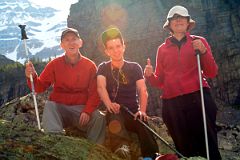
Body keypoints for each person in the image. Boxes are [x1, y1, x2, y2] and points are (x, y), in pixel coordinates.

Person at [144, 5, 221, 160]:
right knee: (183, 148)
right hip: (172, 104)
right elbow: (160, 82)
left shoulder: (200, 42)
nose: (178, 20)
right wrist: (150, 76)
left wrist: (204, 52)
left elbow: (212, 72)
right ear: (169, 24)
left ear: (188, 23)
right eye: (174, 18)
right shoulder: (162, 49)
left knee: (208, 144)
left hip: (198, 97)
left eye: (182, 18)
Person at [25, 27, 106, 144]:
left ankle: (95, 149)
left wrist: (87, 111)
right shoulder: (54, 64)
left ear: (80, 42)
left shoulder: (90, 66)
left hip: (81, 110)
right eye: (67, 40)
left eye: (74, 39)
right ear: (62, 45)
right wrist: (30, 76)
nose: (71, 43)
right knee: (50, 106)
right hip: (60, 109)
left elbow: (95, 92)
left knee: (99, 117)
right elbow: (39, 87)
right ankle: (55, 140)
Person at [97, 27, 159, 159]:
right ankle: (122, 148)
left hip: (132, 112)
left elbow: (142, 90)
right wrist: (109, 104)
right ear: (106, 51)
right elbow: (101, 87)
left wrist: (142, 110)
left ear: (124, 46)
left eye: (118, 46)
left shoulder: (134, 67)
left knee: (142, 122)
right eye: (111, 48)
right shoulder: (103, 68)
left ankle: (152, 156)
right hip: (114, 112)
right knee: (115, 116)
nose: (116, 50)